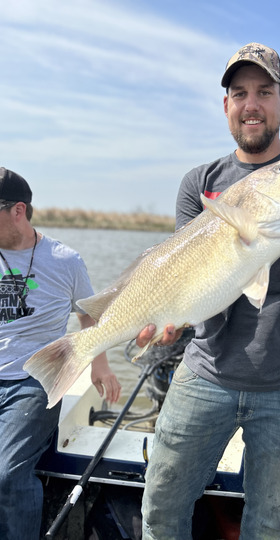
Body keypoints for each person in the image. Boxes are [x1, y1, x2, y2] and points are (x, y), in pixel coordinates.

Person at [139, 43, 280, 539]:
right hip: (205, 373)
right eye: (239, 93)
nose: (252, 104)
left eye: (265, 91)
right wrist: (165, 317)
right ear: (226, 106)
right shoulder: (199, 183)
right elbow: (188, 278)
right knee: (159, 509)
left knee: (268, 526)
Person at [0, 167, 122, 540]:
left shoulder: (65, 260)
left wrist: (100, 365)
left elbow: (90, 314)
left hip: (34, 382)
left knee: (6, 473)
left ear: (17, 210)